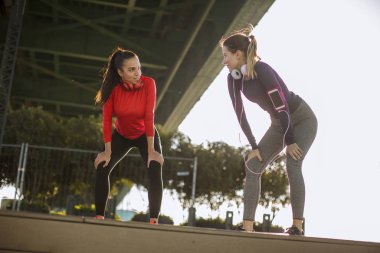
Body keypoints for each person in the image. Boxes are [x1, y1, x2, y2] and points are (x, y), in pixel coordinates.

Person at [220, 25, 318, 235]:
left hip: (301, 119)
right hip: (278, 123)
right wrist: (254, 146)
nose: (224, 61)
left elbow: (282, 107)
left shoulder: (263, 70)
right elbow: (240, 114)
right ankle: (247, 227)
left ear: (238, 54)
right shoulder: (234, 78)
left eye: (226, 56)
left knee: (293, 163)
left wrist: (290, 141)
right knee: (253, 164)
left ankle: (297, 226)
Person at [94, 47, 164, 224]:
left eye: (138, 68)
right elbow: (106, 121)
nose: (137, 73)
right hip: (122, 135)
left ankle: (154, 220)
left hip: (144, 134)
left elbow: (149, 116)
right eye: (131, 69)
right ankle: (99, 218)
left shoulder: (149, 84)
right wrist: (107, 151)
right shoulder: (112, 89)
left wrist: (151, 150)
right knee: (102, 166)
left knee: (155, 167)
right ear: (120, 72)